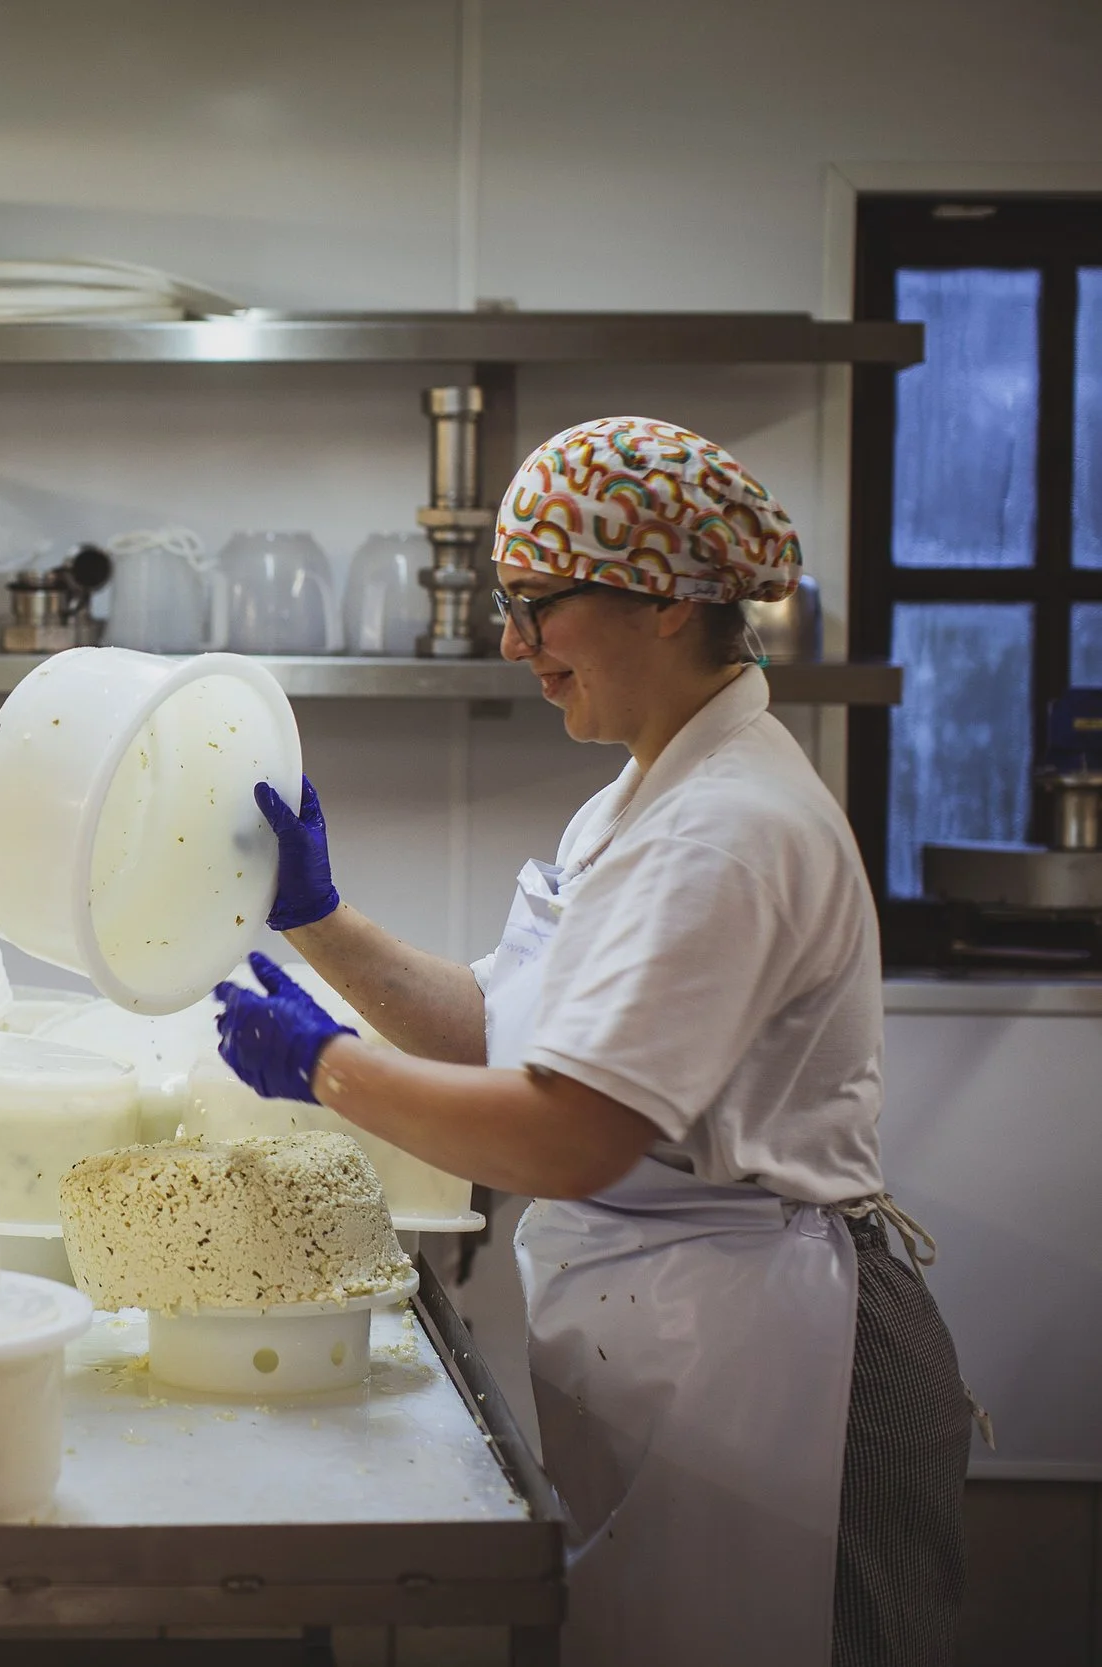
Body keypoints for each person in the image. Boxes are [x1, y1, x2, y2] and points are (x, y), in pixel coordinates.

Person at [214, 417, 974, 1667]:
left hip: (786, 1361)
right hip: (682, 1328)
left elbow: (568, 1133)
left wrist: (320, 1065)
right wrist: (317, 920)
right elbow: (498, 1032)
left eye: (535, 605)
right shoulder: (640, 796)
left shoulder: (727, 832)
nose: (513, 643)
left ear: (665, 598)